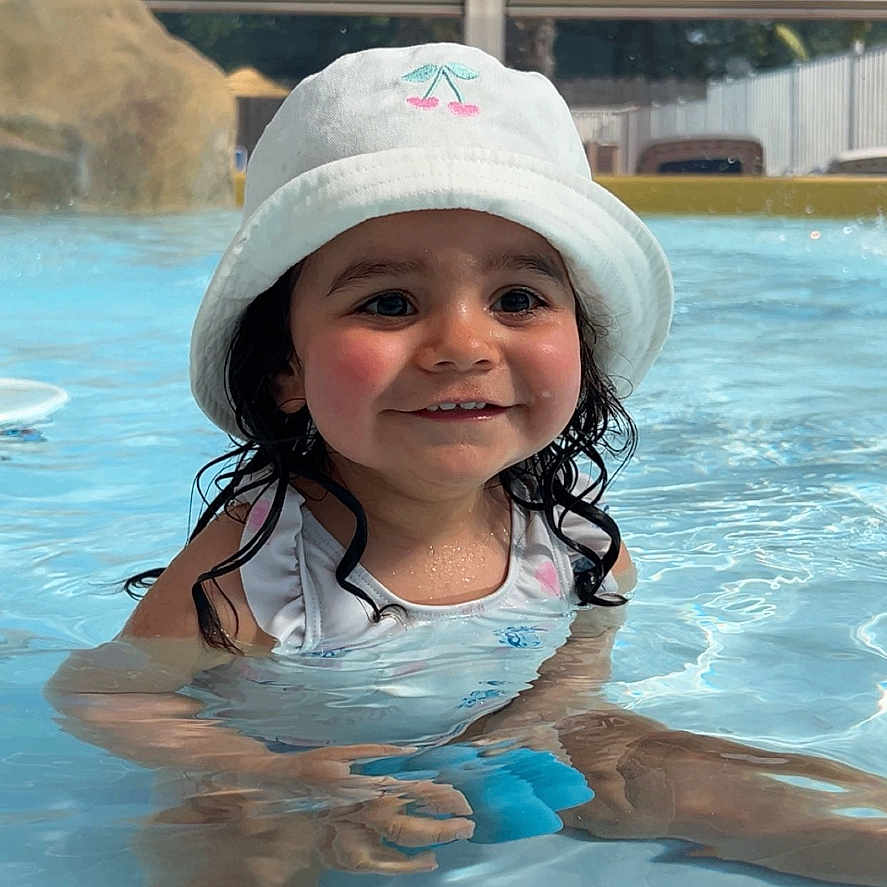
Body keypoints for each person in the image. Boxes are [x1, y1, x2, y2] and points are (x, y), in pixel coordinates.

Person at [48, 44, 887, 886]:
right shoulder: (256, 563)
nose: (461, 346)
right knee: (222, 838)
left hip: (520, 741)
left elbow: (583, 646)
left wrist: (535, 721)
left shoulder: (569, 535)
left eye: (517, 299)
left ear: (582, 348)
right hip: (298, 764)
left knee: (682, 770)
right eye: (388, 303)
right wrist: (273, 776)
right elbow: (106, 696)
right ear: (286, 370)